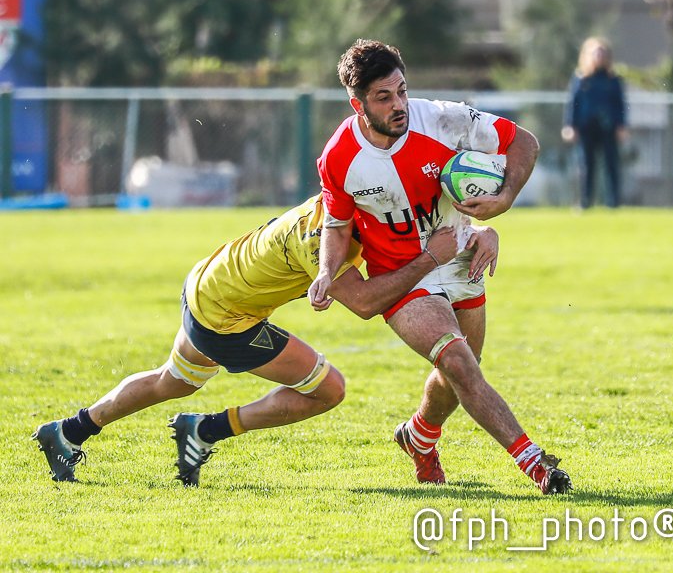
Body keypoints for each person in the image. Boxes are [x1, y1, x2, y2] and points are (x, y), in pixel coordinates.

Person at [32, 193, 495, 486]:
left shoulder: (342, 204)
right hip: (227, 320)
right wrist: (432, 257)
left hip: (206, 285)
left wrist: (480, 231)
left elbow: (411, 225)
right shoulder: (322, 240)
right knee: (328, 389)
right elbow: (367, 303)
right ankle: (205, 430)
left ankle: (68, 431)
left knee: (169, 382)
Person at [308, 38, 571, 495]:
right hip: (403, 278)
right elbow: (337, 224)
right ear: (357, 104)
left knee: (457, 376)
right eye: (384, 97)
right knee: (460, 364)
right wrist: (327, 271)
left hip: (462, 258)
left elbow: (523, 143)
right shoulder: (338, 157)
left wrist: (502, 200)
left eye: (403, 91)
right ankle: (539, 467)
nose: (399, 105)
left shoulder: (444, 119)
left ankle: (420, 437)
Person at [561, 37, 628, 208]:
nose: (599, 56)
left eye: (602, 53)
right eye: (596, 53)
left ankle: (613, 202)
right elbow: (573, 103)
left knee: (611, 165)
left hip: (608, 127)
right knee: (586, 166)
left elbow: (620, 104)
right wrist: (570, 125)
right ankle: (585, 202)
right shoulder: (581, 79)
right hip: (586, 128)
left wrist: (621, 125)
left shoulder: (613, 80)